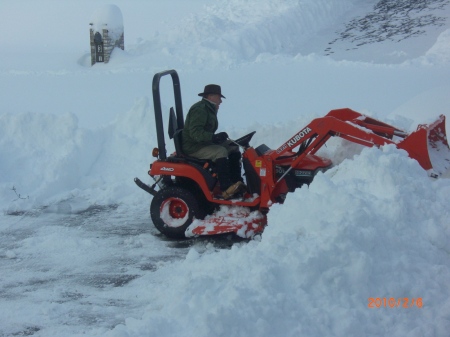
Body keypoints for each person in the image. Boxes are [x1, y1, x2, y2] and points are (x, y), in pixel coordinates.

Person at [182, 84, 246, 199]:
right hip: (194, 146)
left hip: (203, 143)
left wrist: (217, 137)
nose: (221, 101)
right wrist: (213, 137)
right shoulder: (200, 110)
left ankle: (236, 181)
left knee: (233, 146)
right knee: (220, 151)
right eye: (219, 97)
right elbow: (195, 133)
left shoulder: (209, 108)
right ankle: (226, 189)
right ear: (211, 96)